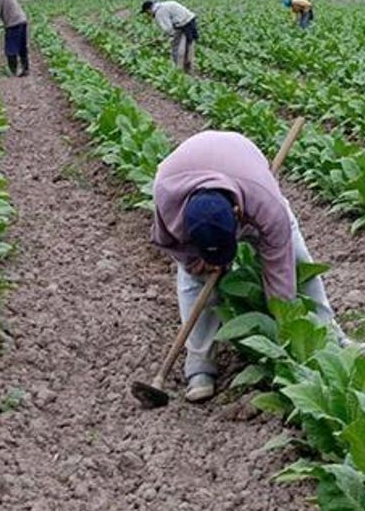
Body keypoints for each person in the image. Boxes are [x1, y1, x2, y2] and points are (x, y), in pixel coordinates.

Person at [151, 130, 352, 402]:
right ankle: (199, 364)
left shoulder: (264, 202)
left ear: (237, 215)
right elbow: (169, 243)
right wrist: (196, 262)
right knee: (193, 282)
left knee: (298, 261)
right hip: (188, 174)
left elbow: (279, 267)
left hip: (243, 164)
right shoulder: (167, 197)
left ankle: (329, 334)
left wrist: (285, 325)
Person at [141, 0, 198, 73]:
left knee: (176, 48)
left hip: (182, 24)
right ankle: (189, 69)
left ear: (149, 9)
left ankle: (178, 69)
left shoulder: (159, 12)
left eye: (146, 12)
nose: (147, 14)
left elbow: (168, 29)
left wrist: (165, 37)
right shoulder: (164, 5)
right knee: (189, 45)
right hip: (190, 20)